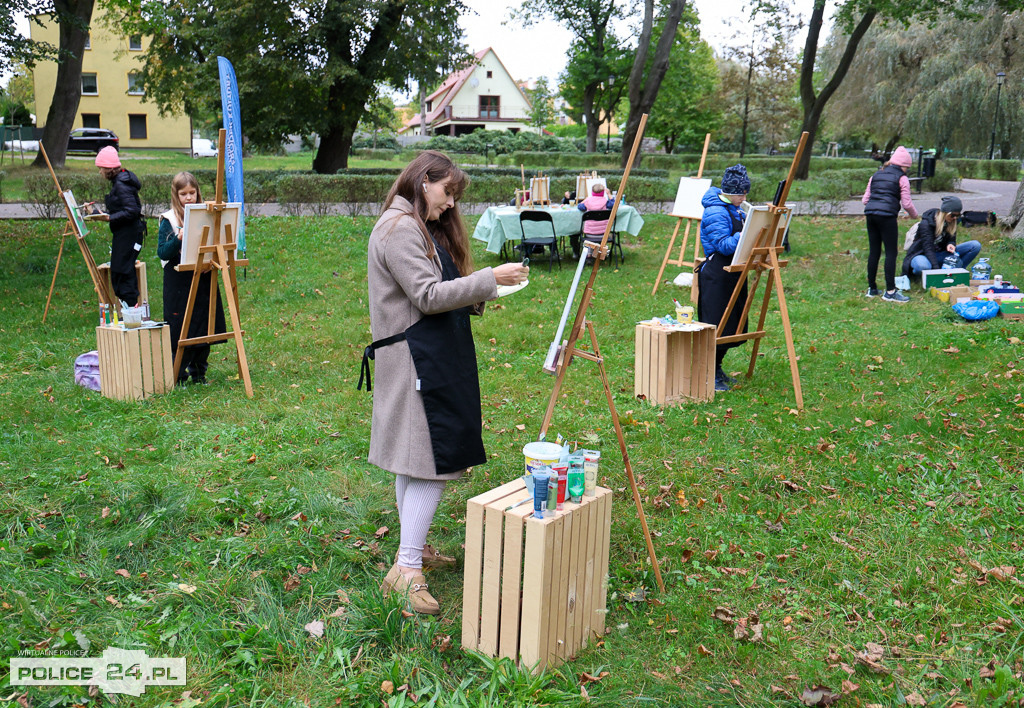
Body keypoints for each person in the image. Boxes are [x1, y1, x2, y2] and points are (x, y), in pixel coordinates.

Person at [363, 151, 528, 615]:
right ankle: (406, 569)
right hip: (418, 359)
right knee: (434, 461)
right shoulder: (397, 230)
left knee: (414, 459)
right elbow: (427, 295)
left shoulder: (412, 225)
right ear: (423, 181)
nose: (451, 204)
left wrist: (480, 288)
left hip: (426, 355)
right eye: (448, 192)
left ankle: (413, 548)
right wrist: (488, 280)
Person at [156, 172, 226, 385]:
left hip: (203, 277)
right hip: (179, 283)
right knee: (180, 328)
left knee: (203, 325)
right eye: (183, 194)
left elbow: (218, 241)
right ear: (176, 195)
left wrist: (213, 259)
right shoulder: (169, 220)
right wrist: (178, 238)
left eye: (192, 193)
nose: (188, 198)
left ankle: (199, 374)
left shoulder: (206, 214)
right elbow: (162, 252)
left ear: (197, 193)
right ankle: (178, 375)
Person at [696, 164, 751, 392]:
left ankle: (717, 367)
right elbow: (723, 246)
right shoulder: (715, 211)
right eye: (741, 193)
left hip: (733, 273)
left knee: (731, 325)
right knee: (716, 325)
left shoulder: (735, 208)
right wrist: (745, 232)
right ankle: (708, 373)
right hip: (717, 275)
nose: (744, 197)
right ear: (729, 192)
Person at [861, 145, 919, 303]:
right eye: (907, 167)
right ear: (904, 166)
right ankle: (891, 292)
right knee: (891, 253)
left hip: (870, 214)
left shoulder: (876, 175)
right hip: (887, 217)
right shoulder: (902, 178)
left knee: (874, 251)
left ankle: (872, 289)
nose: (906, 170)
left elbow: (865, 199)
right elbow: (906, 203)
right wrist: (914, 215)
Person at [93, 146, 144, 306]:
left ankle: (132, 308)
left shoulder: (121, 185)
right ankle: (129, 306)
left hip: (129, 234)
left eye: (100, 168)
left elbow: (132, 210)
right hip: (124, 233)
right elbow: (124, 208)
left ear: (108, 169)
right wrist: (96, 212)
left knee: (122, 270)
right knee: (120, 269)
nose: (99, 172)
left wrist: (109, 218)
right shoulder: (120, 182)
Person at [902, 196, 981, 278]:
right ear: (945, 213)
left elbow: (952, 238)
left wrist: (951, 243)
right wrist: (937, 272)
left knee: (975, 246)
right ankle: (918, 276)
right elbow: (928, 248)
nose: (955, 218)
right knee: (923, 266)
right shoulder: (926, 224)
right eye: (953, 215)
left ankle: (957, 272)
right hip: (922, 254)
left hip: (939, 254)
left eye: (958, 215)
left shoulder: (952, 221)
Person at [571, 182, 614, 258]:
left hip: (589, 233)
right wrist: (609, 194)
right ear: (603, 192)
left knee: (589, 239)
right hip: (603, 232)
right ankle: (600, 255)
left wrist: (585, 199)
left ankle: (589, 255)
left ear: (592, 192)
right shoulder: (605, 202)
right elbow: (613, 204)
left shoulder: (588, 201)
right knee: (602, 237)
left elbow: (580, 206)